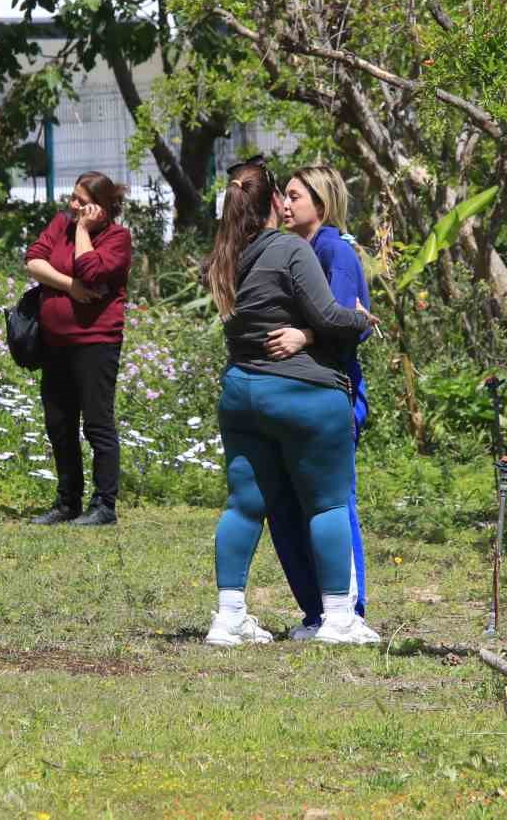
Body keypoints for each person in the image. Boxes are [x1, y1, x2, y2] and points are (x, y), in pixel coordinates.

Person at [202, 156, 380, 646]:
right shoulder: (289, 250)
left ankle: (229, 615)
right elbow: (328, 316)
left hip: (241, 393)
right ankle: (339, 619)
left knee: (244, 506)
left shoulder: (223, 255)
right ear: (274, 201)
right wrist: (362, 319)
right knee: (326, 505)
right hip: (303, 394)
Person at [263, 166, 373, 640]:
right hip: (293, 395)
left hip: (333, 394)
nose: (285, 205)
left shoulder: (335, 251)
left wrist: (302, 335)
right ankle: (315, 612)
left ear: (321, 206)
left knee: (331, 502)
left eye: (294, 196)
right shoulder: (293, 250)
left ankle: (349, 611)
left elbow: (350, 321)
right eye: (283, 196)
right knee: (287, 504)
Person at [23, 171, 132, 526]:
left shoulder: (118, 238)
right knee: (59, 423)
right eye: (72, 198)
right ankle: (67, 501)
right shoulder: (60, 224)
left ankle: (104, 504)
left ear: (100, 208)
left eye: (81, 202)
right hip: (55, 343)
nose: (73, 206)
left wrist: (83, 232)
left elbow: (92, 270)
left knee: (97, 424)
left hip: (96, 343)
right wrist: (70, 288)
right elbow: (34, 261)